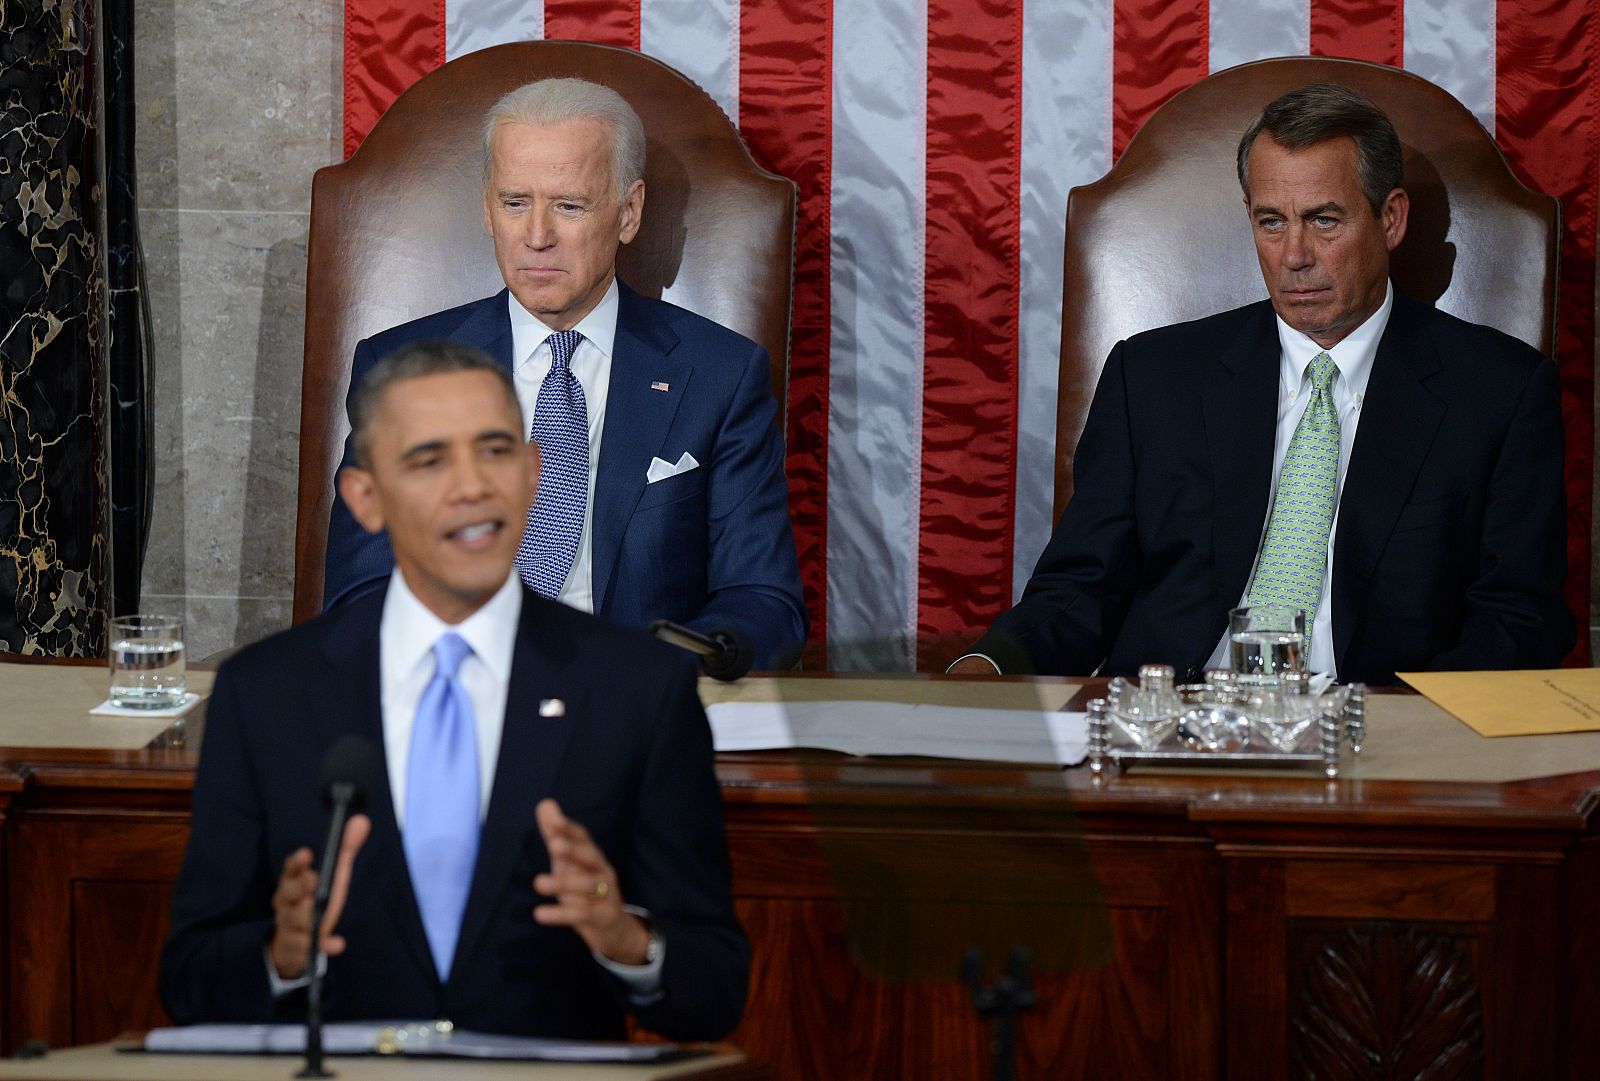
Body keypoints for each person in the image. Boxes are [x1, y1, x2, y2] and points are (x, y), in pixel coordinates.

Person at [161, 342, 748, 1039]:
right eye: (429, 460)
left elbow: (714, 989)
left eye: (494, 451)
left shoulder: (639, 689)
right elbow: (190, 982)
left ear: (533, 473)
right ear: (366, 498)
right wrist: (284, 954)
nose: (471, 486)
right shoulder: (266, 694)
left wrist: (624, 937)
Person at [953, 83, 1571, 685]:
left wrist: (1405, 725)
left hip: (1374, 724)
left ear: (1390, 219)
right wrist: (988, 666)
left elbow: (1518, 617)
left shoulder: (1500, 393)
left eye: (1323, 220)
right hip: (1176, 718)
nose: (1294, 255)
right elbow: (1079, 586)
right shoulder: (1152, 378)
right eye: (1272, 222)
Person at [321, 77, 806, 670]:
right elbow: (361, 590)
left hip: (635, 699)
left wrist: (650, 676)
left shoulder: (719, 375)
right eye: (514, 202)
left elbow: (762, 600)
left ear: (629, 213)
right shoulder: (398, 370)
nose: (537, 237)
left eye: (569, 206)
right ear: (487, 209)